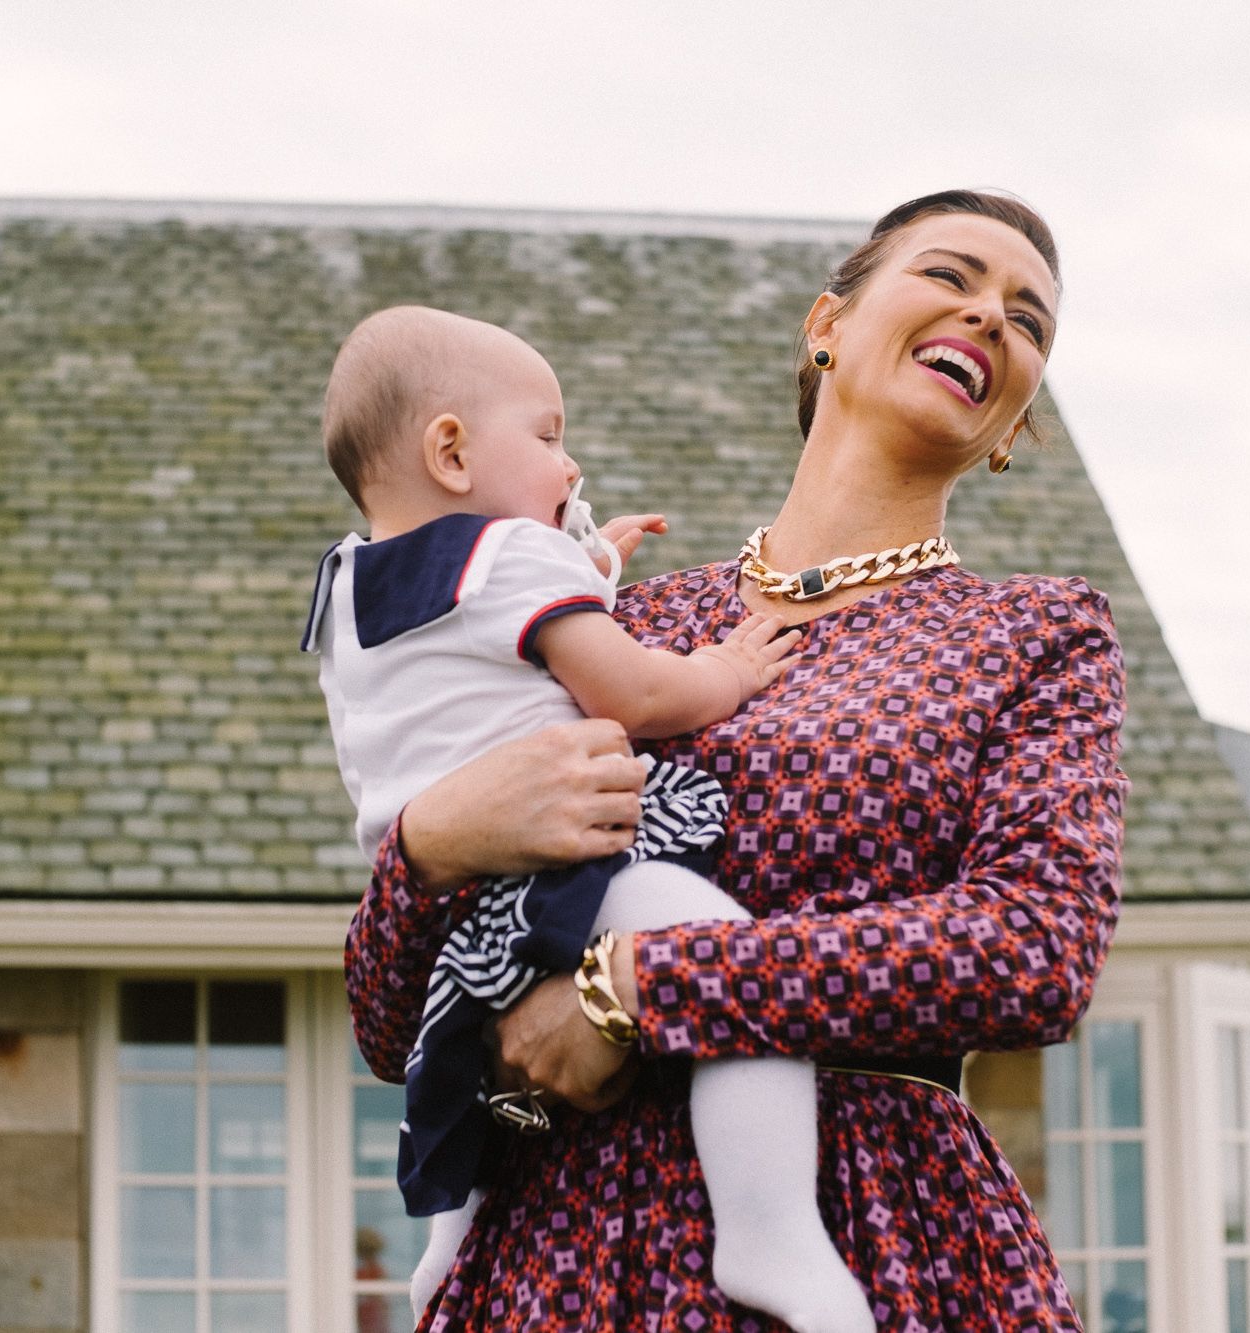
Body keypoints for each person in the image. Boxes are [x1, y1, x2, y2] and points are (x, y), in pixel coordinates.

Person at [345, 190, 1129, 1332]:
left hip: (873, 1229)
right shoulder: (615, 622)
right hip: (564, 1250)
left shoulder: (1035, 632)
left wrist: (632, 994)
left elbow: (1030, 948)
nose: (991, 318)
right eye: (950, 276)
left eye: (1029, 320)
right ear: (826, 325)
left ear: (1011, 421)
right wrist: (428, 842)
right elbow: (386, 1020)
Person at [306, 306, 877, 1332]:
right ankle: (767, 1227)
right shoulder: (507, 562)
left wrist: (587, 568)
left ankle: (452, 1239)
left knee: (462, 1042)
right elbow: (633, 695)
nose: (568, 465)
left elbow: (466, 653)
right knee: (720, 947)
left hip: (446, 914)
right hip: (563, 874)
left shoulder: (349, 588)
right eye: (548, 434)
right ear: (450, 450)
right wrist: (726, 666)